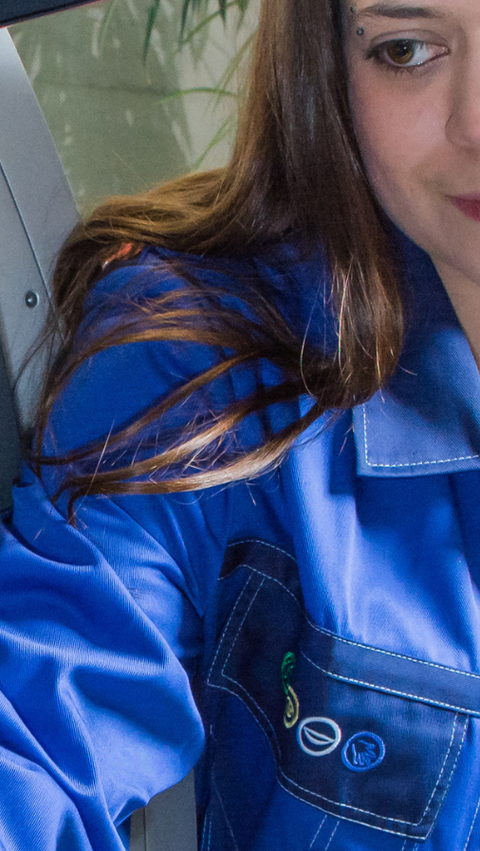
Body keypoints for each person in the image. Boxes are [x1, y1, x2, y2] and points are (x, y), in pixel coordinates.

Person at [1, 0, 480, 847]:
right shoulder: (204, 370)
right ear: (329, 69)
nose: (477, 121)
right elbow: (41, 731)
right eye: (408, 49)